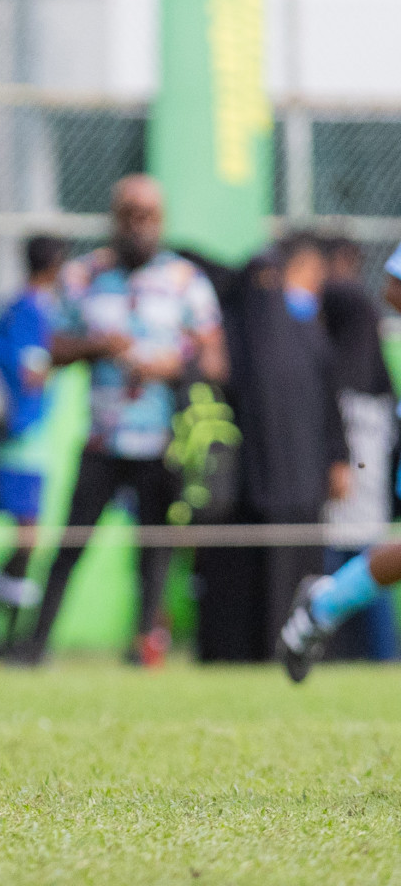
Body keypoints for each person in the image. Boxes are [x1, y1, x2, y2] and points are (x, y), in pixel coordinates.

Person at [13, 175, 227, 666]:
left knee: (153, 554)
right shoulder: (84, 276)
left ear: (162, 220)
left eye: (148, 215)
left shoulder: (185, 280)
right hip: (102, 439)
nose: (139, 224)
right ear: (114, 217)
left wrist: (169, 366)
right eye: (129, 214)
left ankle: (143, 648)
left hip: (161, 441)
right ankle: (31, 649)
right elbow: (53, 347)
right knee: (70, 547)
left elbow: (216, 361)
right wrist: (98, 346)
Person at [196, 234, 349, 662]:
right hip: (248, 481)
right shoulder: (242, 329)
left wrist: (337, 459)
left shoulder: (308, 336)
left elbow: (329, 403)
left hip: (302, 481)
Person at [278, 236, 401, 681]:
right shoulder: (344, 299)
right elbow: (394, 286)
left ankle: (324, 606)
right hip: (364, 425)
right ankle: (324, 607)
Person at [0, 234, 67, 654]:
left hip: (17, 433)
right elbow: (33, 371)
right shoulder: (33, 310)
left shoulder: (12, 306)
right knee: (28, 535)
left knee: (27, 535)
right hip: (22, 434)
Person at [318, 237, 397, 661]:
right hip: (370, 444)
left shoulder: (343, 300)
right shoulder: (358, 312)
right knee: (367, 547)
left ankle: (323, 619)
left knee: (360, 544)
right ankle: (325, 621)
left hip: (364, 440)